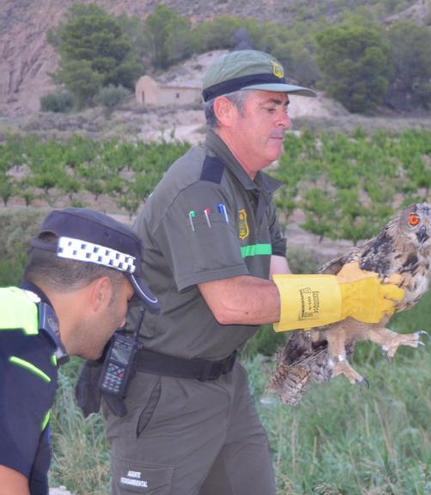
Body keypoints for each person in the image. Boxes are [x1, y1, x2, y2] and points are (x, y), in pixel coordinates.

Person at [99, 49, 405, 494]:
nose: (286, 121)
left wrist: (361, 291)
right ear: (225, 110)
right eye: (270, 107)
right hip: (165, 392)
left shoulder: (254, 189)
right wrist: (341, 296)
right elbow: (234, 303)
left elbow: (279, 287)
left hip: (225, 382)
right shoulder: (200, 188)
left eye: (286, 108)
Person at [0, 208, 160, 495]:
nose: (123, 320)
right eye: (127, 300)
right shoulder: (24, 352)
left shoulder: (13, 319)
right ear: (100, 294)